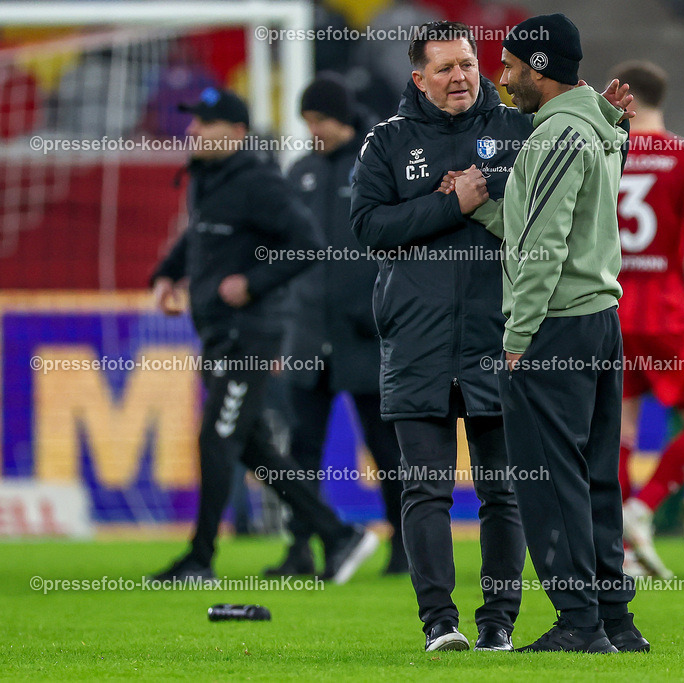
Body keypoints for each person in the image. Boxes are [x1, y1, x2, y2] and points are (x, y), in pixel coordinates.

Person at [460, 13, 649, 653]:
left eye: (511, 66)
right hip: (598, 321)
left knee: (547, 480)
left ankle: (577, 622)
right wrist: (483, 208)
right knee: (595, 477)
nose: (503, 77)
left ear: (538, 69)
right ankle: (615, 620)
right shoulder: (594, 129)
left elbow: (543, 244)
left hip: (554, 327)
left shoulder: (554, 137)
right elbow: (551, 219)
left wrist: (518, 336)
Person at [349, 21, 530, 653]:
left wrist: (485, 191)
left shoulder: (517, 131)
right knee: (425, 489)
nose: (461, 77)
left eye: (468, 64)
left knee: (503, 492)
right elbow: (368, 228)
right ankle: (439, 624)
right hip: (417, 341)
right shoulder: (387, 142)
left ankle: (499, 624)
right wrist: (450, 204)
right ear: (419, 78)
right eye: (446, 68)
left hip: (498, 338)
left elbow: (547, 211)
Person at [148, 87, 372, 583]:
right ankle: (338, 535)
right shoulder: (208, 178)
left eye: (204, 123)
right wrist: (166, 274)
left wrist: (253, 283)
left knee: (216, 439)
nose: (193, 130)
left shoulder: (260, 182)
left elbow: (308, 244)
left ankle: (200, 559)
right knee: (252, 448)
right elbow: (198, 235)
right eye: (194, 121)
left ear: (236, 133)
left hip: (248, 337)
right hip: (217, 332)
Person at [262, 73, 407, 579]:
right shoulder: (299, 170)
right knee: (301, 449)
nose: (313, 130)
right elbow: (284, 254)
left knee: (386, 448)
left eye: (319, 119)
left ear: (342, 117)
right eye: (307, 121)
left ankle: (404, 548)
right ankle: (300, 548)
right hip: (307, 334)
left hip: (366, 336)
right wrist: (284, 328)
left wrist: (382, 311)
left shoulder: (377, 163)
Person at [602, 60, 684, 581]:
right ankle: (644, 506)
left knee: (619, 427)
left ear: (623, 95)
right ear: (663, 96)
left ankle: (620, 550)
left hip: (609, 305)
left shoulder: (603, 150)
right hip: (667, 308)